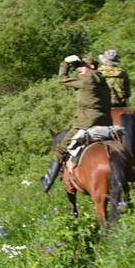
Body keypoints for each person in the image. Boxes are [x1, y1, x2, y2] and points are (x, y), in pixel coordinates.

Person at [39, 55, 113, 192]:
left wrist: (65, 63)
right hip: (106, 121)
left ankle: (47, 182)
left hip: (87, 121)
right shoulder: (103, 82)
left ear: (91, 67)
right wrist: (80, 64)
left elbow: (62, 79)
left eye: (82, 66)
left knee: (61, 148)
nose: (79, 69)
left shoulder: (86, 79)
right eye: (78, 66)